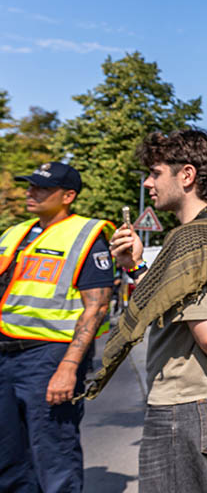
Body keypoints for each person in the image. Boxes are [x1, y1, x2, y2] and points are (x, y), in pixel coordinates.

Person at [90, 129, 207, 492]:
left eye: (155, 173)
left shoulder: (191, 237)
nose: (148, 183)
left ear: (187, 175)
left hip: (188, 402)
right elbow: (180, 299)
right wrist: (136, 266)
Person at [0, 161, 114, 493]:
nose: (30, 192)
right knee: (8, 457)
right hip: (5, 355)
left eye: (42, 188)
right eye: (30, 185)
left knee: (54, 454)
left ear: (68, 196)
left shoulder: (86, 236)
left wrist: (68, 368)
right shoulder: (14, 233)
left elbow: (97, 307)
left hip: (49, 357)